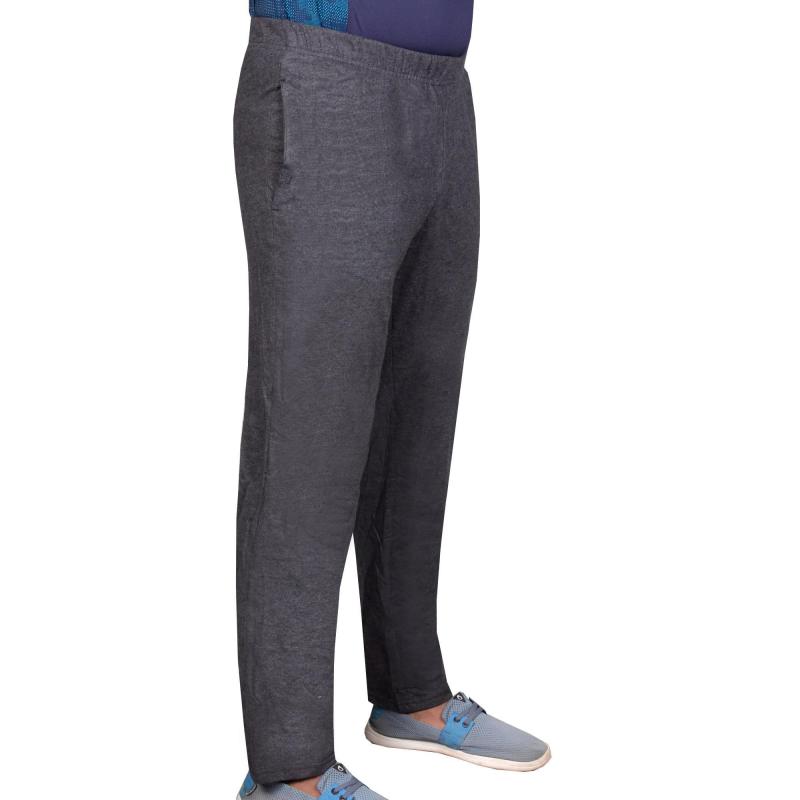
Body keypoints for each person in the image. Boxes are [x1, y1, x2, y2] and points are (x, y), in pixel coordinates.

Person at [233, 3, 550, 797]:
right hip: (323, 74)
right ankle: (290, 770)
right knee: (307, 434)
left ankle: (412, 693)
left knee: (417, 416)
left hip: (444, 90)